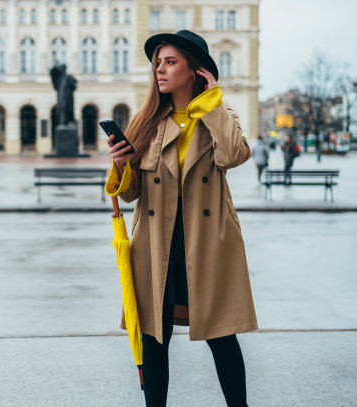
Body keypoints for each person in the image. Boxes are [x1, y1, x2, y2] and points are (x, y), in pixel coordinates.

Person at [105, 30, 257, 407]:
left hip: (207, 243)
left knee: (221, 336)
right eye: (158, 62)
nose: (160, 69)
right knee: (155, 337)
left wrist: (212, 102)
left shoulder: (219, 115)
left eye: (170, 61)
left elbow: (235, 155)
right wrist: (122, 164)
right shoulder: (147, 120)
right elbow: (129, 193)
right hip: (157, 243)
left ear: (195, 70)